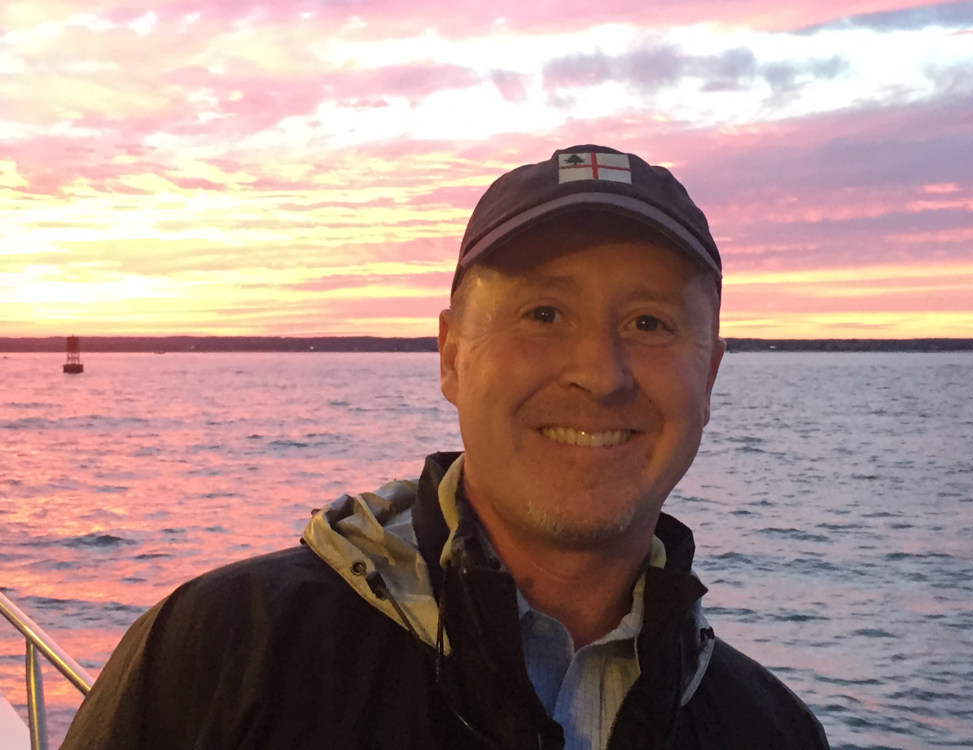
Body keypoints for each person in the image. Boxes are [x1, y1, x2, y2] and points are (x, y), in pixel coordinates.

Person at [62, 145, 830, 750]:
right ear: (452, 355)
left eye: (650, 324)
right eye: (543, 312)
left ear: (711, 375)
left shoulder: (769, 730)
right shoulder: (223, 655)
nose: (600, 374)